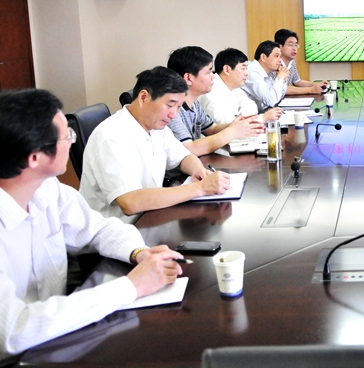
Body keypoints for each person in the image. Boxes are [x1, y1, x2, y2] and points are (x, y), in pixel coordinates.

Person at [0, 89, 185, 362]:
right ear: (35, 157)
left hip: (57, 338)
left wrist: (139, 252)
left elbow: (98, 228)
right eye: (66, 136)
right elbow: (15, 330)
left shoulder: (47, 189)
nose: (71, 142)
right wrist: (131, 287)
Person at [80, 67, 230, 221]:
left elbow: (184, 156)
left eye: (179, 107)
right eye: (170, 105)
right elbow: (130, 202)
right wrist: (199, 188)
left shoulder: (156, 126)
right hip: (120, 228)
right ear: (143, 97)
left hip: (150, 215)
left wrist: (199, 171)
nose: (174, 115)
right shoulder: (111, 136)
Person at [166, 46, 263, 155]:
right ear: (188, 78)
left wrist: (237, 125)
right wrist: (232, 132)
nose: (213, 76)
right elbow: (190, 149)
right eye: (208, 72)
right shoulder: (172, 109)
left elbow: (212, 129)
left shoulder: (194, 104)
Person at [198, 47, 283, 125]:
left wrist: (237, 117)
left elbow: (252, 106)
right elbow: (225, 124)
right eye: (243, 68)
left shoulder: (235, 87)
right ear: (227, 69)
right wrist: (262, 118)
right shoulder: (211, 90)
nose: (247, 73)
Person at [274, 29, 329, 95]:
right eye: (290, 45)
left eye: (296, 45)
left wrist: (317, 85)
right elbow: (282, 89)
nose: (294, 48)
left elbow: (297, 82)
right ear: (279, 47)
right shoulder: (274, 63)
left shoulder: (292, 61)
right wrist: (311, 90)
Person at [242, 40, 290, 113]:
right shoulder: (252, 72)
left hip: (260, 113)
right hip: (247, 117)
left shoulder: (266, 72)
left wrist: (283, 80)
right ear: (263, 57)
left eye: (280, 56)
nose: (280, 60)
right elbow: (270, 101)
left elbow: (278, 98)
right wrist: (279, 78)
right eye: (276, 56)